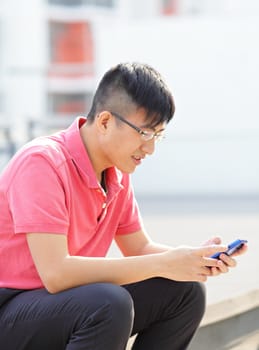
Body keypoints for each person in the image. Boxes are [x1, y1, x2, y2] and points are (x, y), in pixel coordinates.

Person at [0, 62, 247, 350]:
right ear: (105, 122)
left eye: (157, 135)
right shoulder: (42, 163)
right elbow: (56, 274)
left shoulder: (116, 173)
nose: (150, 148)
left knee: (186, 291)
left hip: (66, 303)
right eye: (144, 133)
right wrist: (164, 263)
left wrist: (193, 259)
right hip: (11, 309)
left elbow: (139, 248)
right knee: (108, 304)